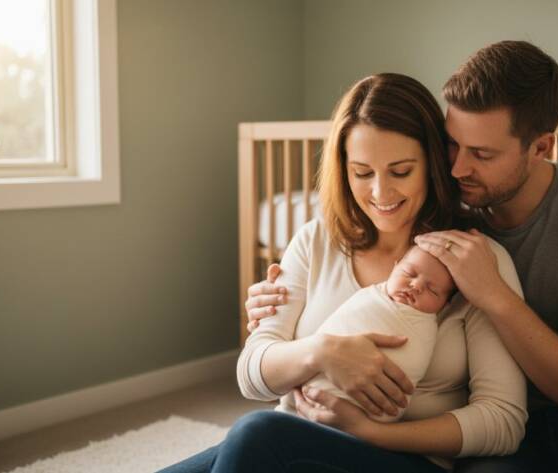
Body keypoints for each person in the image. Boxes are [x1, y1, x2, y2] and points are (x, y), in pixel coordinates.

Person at [249, 42, 558, 473]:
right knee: (247, 442)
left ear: (541, 147)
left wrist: (495, 297)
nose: (458, 168)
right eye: (452, 145)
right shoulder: (437, 212)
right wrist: (286, 325)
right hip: (492, 432)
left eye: (481, 154)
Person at [160, 72, 527, 473]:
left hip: (401, 458)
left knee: (256, 434)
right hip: (294, 437)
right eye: (363, 173)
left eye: (401, 171)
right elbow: (252, 375)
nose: (381, 194)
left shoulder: (473, 261)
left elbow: (503, 421)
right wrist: (325, 352)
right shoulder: (316, 241)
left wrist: (372, 432)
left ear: (433, 163)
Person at [304, 245, 455, 422]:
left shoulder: (426, 327)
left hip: (373, 425)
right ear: (395, 266)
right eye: (409, 273)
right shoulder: (371, 297)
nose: (416, 286)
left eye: (432, 290)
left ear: (445, 304)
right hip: (311, 397)